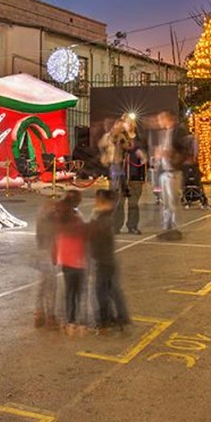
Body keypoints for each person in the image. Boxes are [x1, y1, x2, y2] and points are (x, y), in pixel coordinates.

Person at [88, 189, 131, 331]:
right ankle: (121, 316)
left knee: (101, 291)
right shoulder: (105, 216)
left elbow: (94, 236)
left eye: (99, 200)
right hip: (107, 259)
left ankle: (104, 319)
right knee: (112, 289)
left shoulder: (103, 218)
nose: (96, 203)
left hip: (103, 260)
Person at [55, 190, 87, 335]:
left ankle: (68, 321)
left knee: (69, 292)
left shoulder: (61, 218)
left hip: (66, 260)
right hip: (78, 260)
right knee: (78, 292)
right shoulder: (77, 218)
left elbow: (56, 240)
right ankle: (75, 321)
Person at [155, 110, 186, 239]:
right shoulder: (164, 133)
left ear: (167, 119)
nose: (159, 122)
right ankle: (166, 227)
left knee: (172, 201)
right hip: (164, 170)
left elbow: (182, 149)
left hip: (173, 171)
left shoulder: (178, 132)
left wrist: (170, 153)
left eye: (161, 119)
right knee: (165, 202)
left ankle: (174, 227)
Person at [33, 197, 59, 329]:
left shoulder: (41, 214)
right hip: (47, 253)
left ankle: (39, 313)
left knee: (42, 284)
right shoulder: (48, 217)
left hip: (42, 252)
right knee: (51, 286)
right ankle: (50, 316)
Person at [122, 137, 147, 234]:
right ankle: (116, 225)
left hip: (134, 178)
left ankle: (132, 226)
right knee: (118, 204)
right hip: (120, 177)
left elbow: (144, 158)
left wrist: (142, 156)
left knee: (133, 204)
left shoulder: (138, 146)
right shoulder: (118, 143)